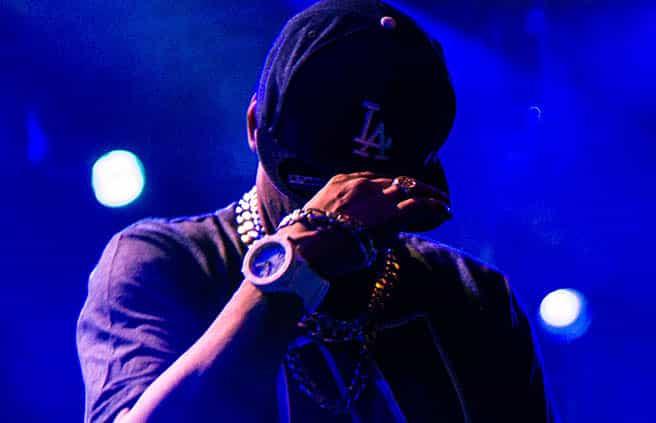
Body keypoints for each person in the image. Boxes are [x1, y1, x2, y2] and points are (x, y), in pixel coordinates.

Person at [77, 0, 554, 421]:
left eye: (377, 190)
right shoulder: (164, 262)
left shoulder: (473, 296)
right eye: (319, 189)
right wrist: (293, 265)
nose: (354, 206)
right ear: (255, 126)